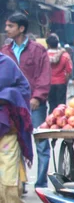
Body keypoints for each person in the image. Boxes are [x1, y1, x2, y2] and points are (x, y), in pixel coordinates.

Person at [1, 13, 50, 190]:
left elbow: (44, 75)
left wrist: (37, 96)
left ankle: (41, 183)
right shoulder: (4, 52)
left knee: (41, 142)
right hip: (13, 107)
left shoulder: (38, 50)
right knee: (17, 141)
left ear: (21, 29)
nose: (6, 29)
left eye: (10, 26)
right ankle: (19, 182)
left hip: (35, 103)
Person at [0, 54, 33, 203]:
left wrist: (7, 97)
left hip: (7, 131)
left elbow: (23, 89)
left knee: (10, 181)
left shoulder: (6, 64)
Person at [45, 34, 72, 112]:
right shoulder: (65, 55)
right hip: (61, 83)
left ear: (48, 45)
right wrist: (65, 81)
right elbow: (69, 71)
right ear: (58, 43)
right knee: (61, 106)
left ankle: (51, 121)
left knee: (51, 104)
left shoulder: (44, 56)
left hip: (49, 83)